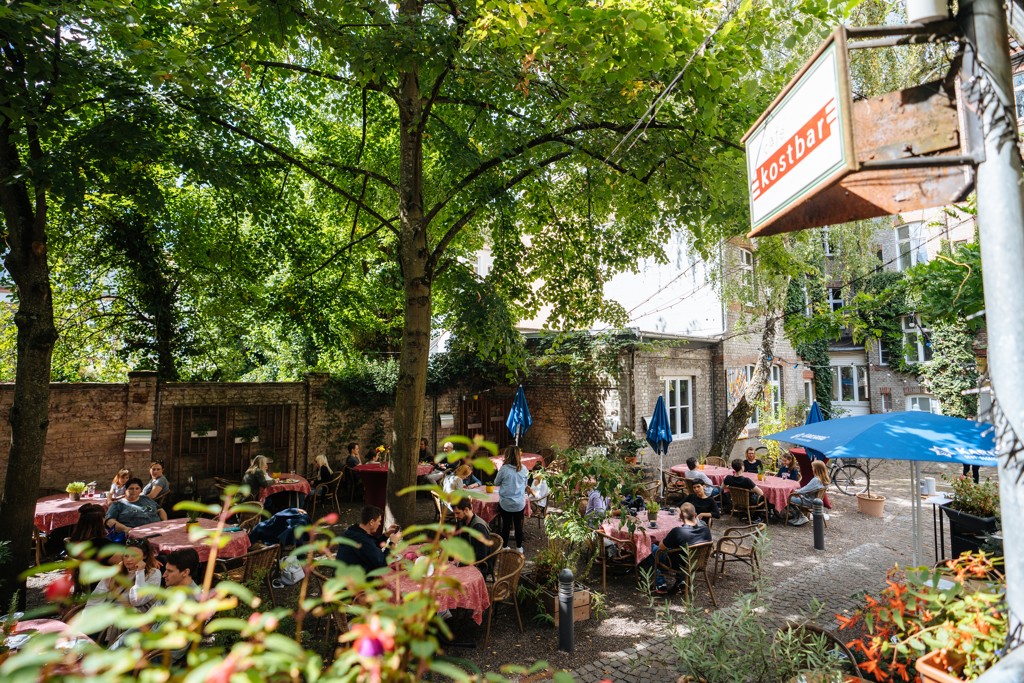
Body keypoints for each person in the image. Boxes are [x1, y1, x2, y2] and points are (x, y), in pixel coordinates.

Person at [651, 503, 712, 595]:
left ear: (680, 516)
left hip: (678, 564)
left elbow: (661, 547)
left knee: (652, 548)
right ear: (695, 515)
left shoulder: (677, 531)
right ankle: (682, 582)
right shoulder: (706, 529)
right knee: (678, 549)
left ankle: (660, 584)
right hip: (697, 563)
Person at [88, 537, 162, 612]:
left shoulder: (154, 574)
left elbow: (136, 600)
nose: (129, 559)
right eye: (126, 556)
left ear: (145, 556)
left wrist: (140, 572)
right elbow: (95, 600)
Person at [336, 505, 400, 573]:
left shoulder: (352, 532)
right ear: (372, 522)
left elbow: (371, 548)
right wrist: (392, 543)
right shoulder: (362, 540)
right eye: (379, 521)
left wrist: (385, 535)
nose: (379, 524)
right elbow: (382, 563)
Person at [494, 445, 531, 553]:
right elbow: (525, 485)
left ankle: (504, 546)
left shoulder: (504, 469)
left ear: (507, 455)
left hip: (506, 503)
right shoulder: (524, 469)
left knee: (506, 525)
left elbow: (496, 482)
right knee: (518, 525)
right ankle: (519, 548)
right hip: (519, 503)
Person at [452, 498, 494, 575]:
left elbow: (481, 556)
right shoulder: (462, 521)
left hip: (480, 566)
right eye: (454, 513)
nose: (455, 516)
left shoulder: (479, 528)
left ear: (466, 510)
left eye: (458, 513)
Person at [787, 460, 831, 526]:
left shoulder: (816, 480)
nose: (812, 469)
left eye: (813, 467)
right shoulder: (823, 479)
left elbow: (805, 490)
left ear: (816, 469)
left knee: (786, 497)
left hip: (808, 501)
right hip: (815, 500)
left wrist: (795, 492)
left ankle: (800, 516)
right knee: (791, 496)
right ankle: (798, 516)